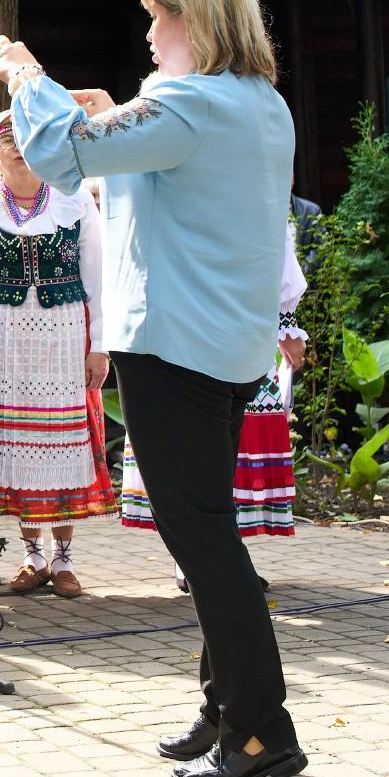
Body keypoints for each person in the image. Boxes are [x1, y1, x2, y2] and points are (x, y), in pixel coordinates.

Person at [0, 0, 306, 777]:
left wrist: (28, 76)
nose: (151, 31)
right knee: (205, 531)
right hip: (224, 347)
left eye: (161, 15)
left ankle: (263, 726)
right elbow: (156, 166)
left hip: (174, 347)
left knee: (201, 538)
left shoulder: (189, 101)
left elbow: (59, 155)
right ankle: (225, 703)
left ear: (197, 21)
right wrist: (110, 112)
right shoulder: (259, 103)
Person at [0, 111, 113, 598]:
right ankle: (33, 556)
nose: (18, 148)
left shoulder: (74, 200)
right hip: (4, 343)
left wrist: (100, 345)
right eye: (9, 140)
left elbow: (98, 278)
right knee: (21, 450)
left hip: (64, 336)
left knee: (60, 450)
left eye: (27, 139)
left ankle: (64, 559)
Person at [123, 224, 307, 565]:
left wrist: (285, 321)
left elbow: (273, 250)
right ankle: (197, 562)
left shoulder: (257, 191)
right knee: (188, 446)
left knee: (229, 451)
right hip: (179, 326)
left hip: (240, 330)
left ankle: (222, 560)